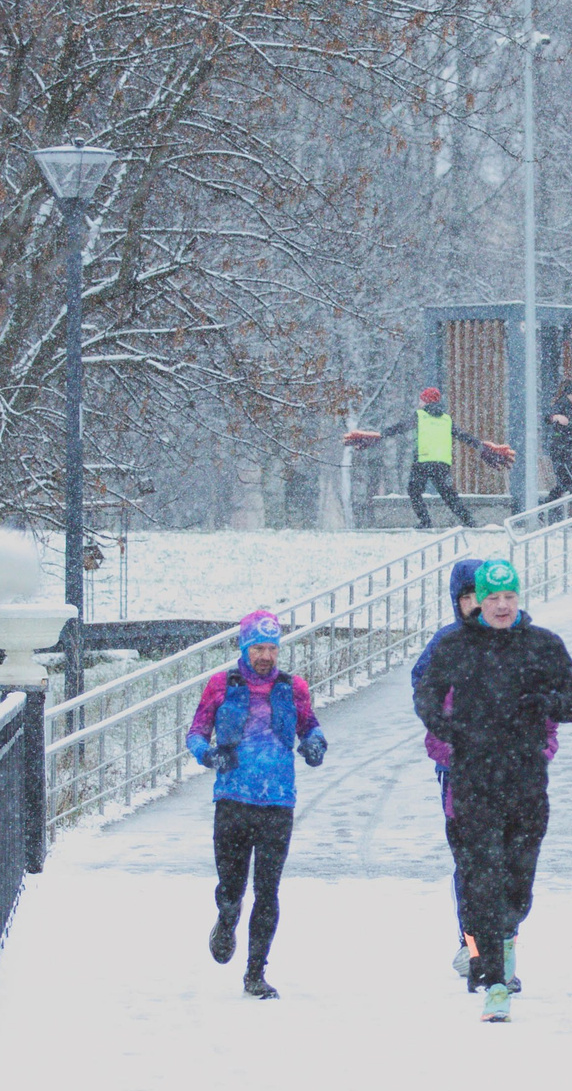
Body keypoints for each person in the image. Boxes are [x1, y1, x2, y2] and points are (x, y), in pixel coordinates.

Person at [414, 558, 572, 1022]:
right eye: (491, 598)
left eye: (508, 597)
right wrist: (447, 729)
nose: (500, 606)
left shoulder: (543, 645)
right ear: (476, 602)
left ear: (519, 597)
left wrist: (545, 702)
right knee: (480, 877)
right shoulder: (454, 645)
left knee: (517, 881)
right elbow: (426, 693)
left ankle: (507, 935)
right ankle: (495, 981)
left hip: (526, 779)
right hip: (473, 780)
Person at [414, 558, 542, 995]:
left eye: (483, 597)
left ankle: (503, 948)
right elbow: (425, 692)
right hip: (462, 774)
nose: (476, 605)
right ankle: (475, 952)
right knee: (472, 866)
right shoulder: (446, 643)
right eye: (467, 598)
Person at [186, 610, 328, 999]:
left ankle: (255, 973)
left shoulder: (292, 687)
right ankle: (227, 918)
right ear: (244, 648)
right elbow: (196, 733)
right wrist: (209, 755)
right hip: (232, 799)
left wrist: (315, 743)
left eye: (271, 648)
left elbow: (310, 726)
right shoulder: (221, 685)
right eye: (258, 648)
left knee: (268, 890)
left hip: (278, 802)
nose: (266, 656)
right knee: (232, 888)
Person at [352, 386, 515, 529]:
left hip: (423, 462)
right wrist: (481, 446)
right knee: (450, 497)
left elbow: (400, 427)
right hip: (442, 464)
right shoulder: (446, 420)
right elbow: (464, 436)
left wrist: (381, 435)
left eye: (421, 400)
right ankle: (470, 522)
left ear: (426, 402)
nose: (419, 403)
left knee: (414, 491)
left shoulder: (420, 416)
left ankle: (425, 521)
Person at [545, 376, 572, 504]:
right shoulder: (562, 404)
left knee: (565, 483)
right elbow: (550, 417)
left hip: (564, 449)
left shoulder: (569, 405)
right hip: (560, 450)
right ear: (568, 393)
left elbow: (570, 421)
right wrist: (556, 417)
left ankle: (545, 509)